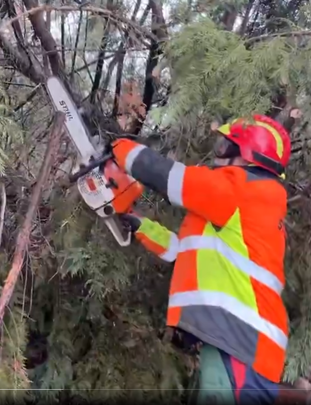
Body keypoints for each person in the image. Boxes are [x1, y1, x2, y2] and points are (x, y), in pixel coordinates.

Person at [110, 115, 292, 405]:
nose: (216, 155)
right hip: (241, 344)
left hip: (241, 343)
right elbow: (183, 253)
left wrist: (119, 149)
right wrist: (140, 224)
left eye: (223, 147)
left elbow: (173, 179)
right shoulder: (246, 205)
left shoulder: (245, 190)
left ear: (246, 156)